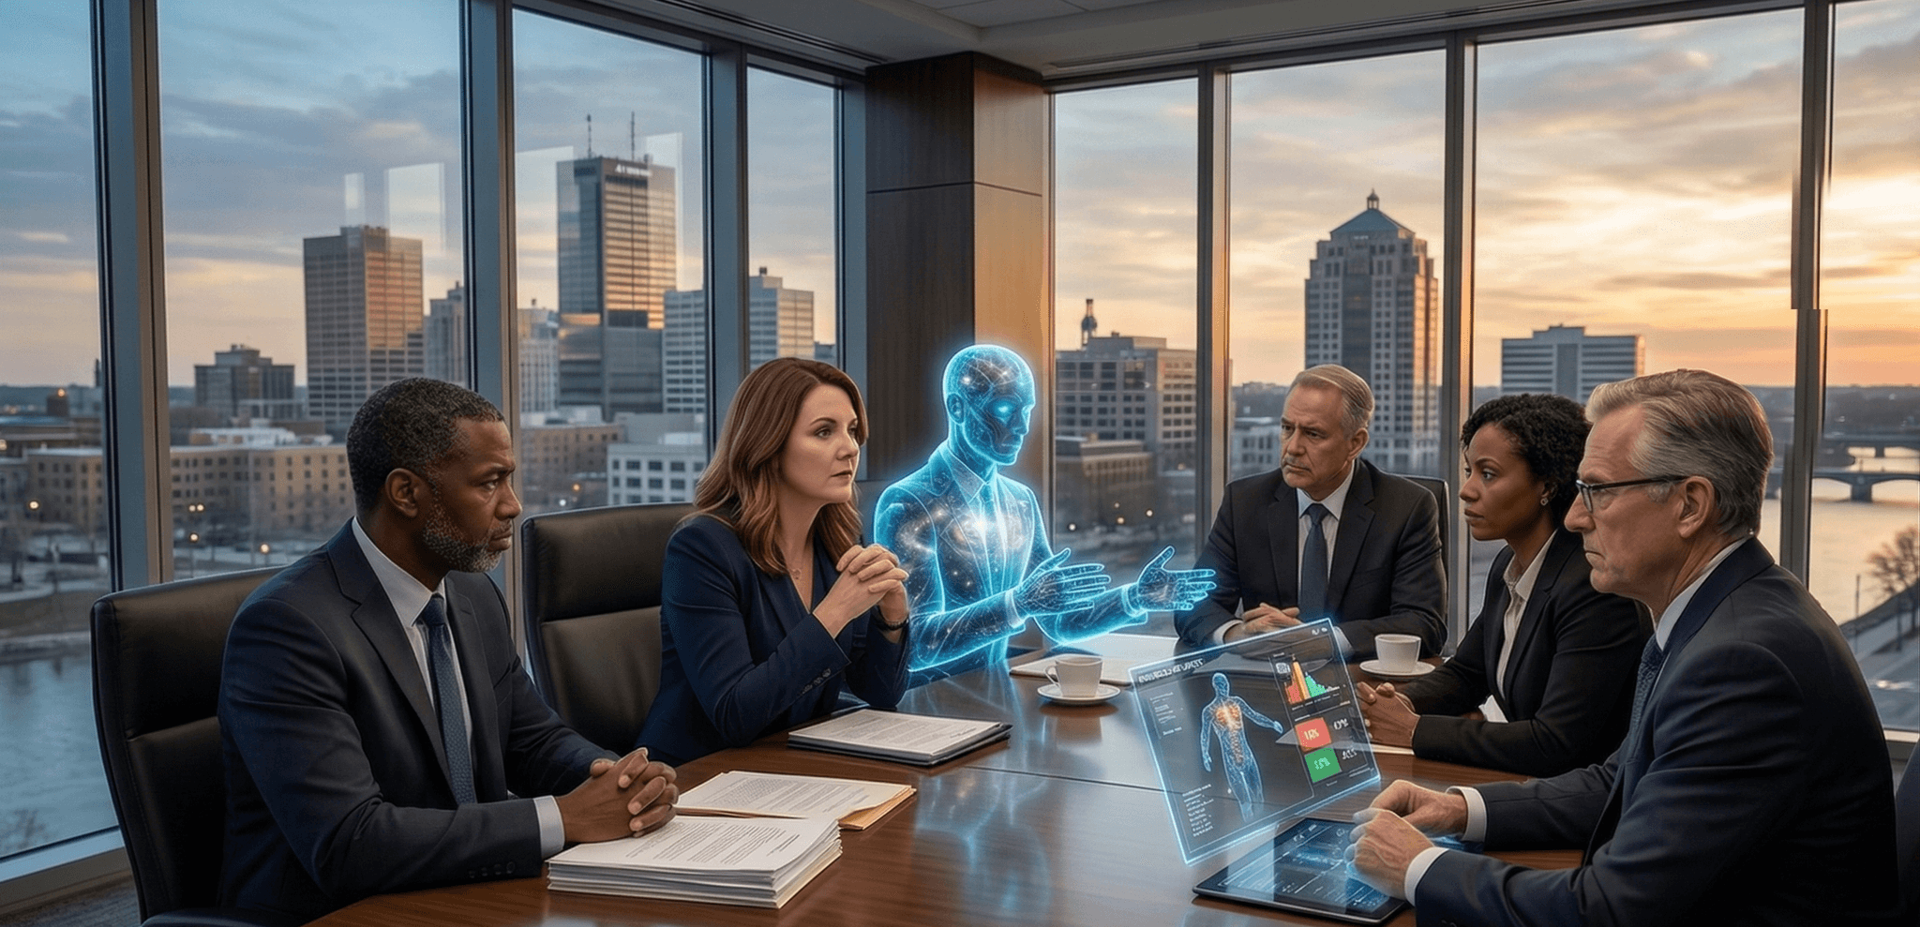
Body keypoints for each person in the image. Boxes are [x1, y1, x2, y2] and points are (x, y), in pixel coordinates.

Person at [1349, 369, 1898, 927]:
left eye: (1598, 491)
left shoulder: (1742, 662)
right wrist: (1458, 808)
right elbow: (1620, 780)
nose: (1574, 516)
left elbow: (1611, 911)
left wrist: (1420, 867)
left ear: (1690, 505)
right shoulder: (1726, 613)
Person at [218, 378, 678, 922]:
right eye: (489, 483)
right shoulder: (287, 628)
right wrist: (563, 818)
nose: (513, 505)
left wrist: (620, 782)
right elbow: (350, 842)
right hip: (341, 912)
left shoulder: (471, 592)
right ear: (406, 493)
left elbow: (531, 740)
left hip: (462, 892)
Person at [875, 344, 1215, 681]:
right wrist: (1017, 605)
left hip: (995, 698)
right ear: (957, 407)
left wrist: (1134, 598)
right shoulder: (908, 503)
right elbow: (915, 645)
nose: (1022, 427)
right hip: (928, 704)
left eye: (1027, 410)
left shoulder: (1020, 500)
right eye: (1005, 408)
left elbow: (1058, 621)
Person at [1356, 394, 1649, 776]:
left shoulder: (1593, 590)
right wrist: (1394, 704)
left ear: (1547, 487)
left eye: (1488, 474)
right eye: (1469, 471)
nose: (1466, 490)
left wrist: (1413, 730)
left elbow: (1555, 743)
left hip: (1582, 801)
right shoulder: (1508, 566)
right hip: (1525, 782)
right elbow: (1467, 674)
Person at [638, 358, 912, 765]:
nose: (850, 448)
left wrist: (891, 617)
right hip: (699, 776)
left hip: (794, 766)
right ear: (768, 443)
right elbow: (735, 715)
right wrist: (835, 611)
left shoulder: (837, 540)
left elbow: (881, 694)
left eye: (852, 430)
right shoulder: (701, 549)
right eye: (824, 432)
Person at [1177, 364, 1444, 659]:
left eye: (1313, 434)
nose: (1292, 447)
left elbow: (1423, 624)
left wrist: (1324, 640)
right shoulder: (1244, 502)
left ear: (1355, 443)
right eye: (1287, 428)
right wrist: (1237, 634)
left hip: (1363, 682)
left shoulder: (1407, 508)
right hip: (1269, 679)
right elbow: (1193, 604)